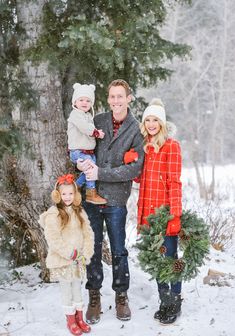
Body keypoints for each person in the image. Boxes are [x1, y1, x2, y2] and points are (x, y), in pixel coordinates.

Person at [77, 79, 144, 324]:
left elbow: (134, 168)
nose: (116, 100)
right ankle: (94, 295)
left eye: (120, 96)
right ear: (108, 99)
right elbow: (82, 145)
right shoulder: (98, 121)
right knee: (92, 250)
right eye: (112, 96)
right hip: (92, 197)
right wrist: (80, 162)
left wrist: (101, 173)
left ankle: (121, 296)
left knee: (118, 250)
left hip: (116, 199)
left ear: (128, 98)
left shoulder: (136, 129)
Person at [137, 98, 183, 325]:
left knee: (170, 257)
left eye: (155, 119)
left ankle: (175, 300)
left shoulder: (171, 146)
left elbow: (174, 182)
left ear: (162, 123)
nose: (152, 123)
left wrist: (175, 215)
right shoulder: (145, 146)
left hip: (165, 213)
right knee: (157, 259)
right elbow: (141, 177)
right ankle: (164, 300)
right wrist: (132, 160)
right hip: (147, 213)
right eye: (148, 120)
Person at [39, 174, 94, 335]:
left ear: (75, 195)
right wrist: (71, 253)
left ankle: (79, 317)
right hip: (63, 260)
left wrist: (86, 253)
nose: (67, 197)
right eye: (64, 194)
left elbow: (88, 233)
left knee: (77, 288)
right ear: (57, 195)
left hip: (78, 260)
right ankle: (70, 319)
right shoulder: (53, 214)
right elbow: (53, 239)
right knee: (67, 291)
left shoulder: (80, 212)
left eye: (71, 193)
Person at [67, 82, 107, 205]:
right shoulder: (75, 115)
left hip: (87, 152)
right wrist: (96, 133)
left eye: (88, 101)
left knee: (90, 170)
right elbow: (84, 128)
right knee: (90, 170)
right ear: (75, 102)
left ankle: (74, 188)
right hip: (79, 151)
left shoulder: (87, 115)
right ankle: (90, 193)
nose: (85, 103)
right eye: (81, 100)